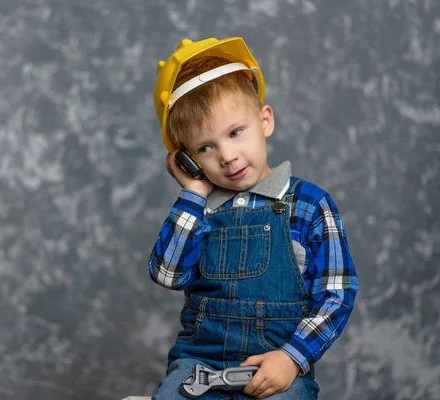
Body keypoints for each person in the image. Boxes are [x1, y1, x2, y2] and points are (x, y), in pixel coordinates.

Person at [148, 37, 359, 399]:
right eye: (205, 148)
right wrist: (193, 193)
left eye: (235, 133)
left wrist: (293, 358)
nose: (227, 156)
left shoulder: (308, 204)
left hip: (276, 365)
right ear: (188, 159)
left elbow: (337, 294)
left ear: (265, 121)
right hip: (200, 363)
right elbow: (168, 274)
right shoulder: (201, 209)